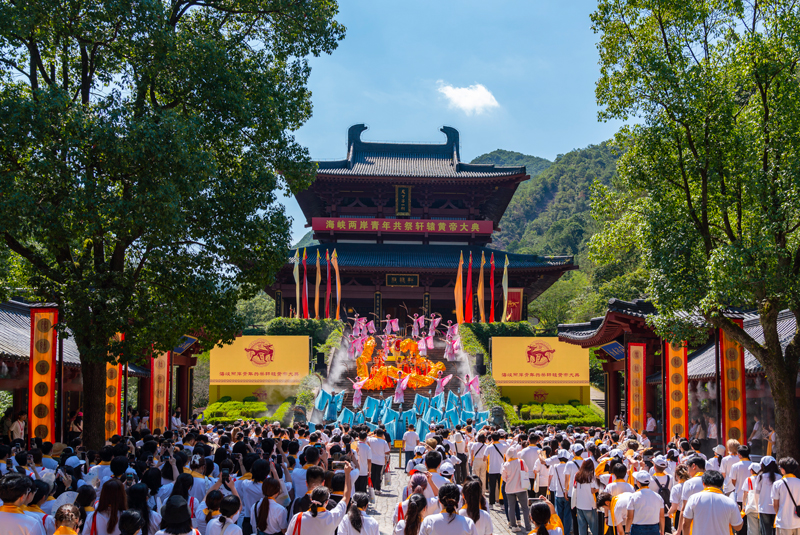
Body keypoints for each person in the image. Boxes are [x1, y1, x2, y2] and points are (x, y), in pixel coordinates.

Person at [285, 462, 352, 535]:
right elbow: (346, 497)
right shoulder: (332, 517)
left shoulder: (297, 517)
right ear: (326, 501)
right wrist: (347, 474)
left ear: (311, 499)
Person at [682, 470, 742, 535]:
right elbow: (738, 527)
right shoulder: (730, 502)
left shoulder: (693, 499)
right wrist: (738, 512)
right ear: (721, 485)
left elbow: (686, 524)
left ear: (703, 483)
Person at [501, 448, 531, 533]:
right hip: (521, 487)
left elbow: (504, 477)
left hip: (510, 488)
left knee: (511, 507)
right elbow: (526, 471)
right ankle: (528, 527)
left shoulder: (506, 464)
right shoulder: (521, 462)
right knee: (525, 508)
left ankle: (513, 526)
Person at [771, 457, 800, 535]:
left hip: (783, 522)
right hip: (798, 522)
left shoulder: (777, 484)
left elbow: (775, 505)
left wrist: (780, 513)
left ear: (783, 469)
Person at [756, 456, 781, 535]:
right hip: (776, 508)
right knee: (775, 531)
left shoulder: (760, 476)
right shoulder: (779, 477)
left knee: (766, 531)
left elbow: (757, 493)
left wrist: (757, 507)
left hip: (763, 507)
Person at [572, 457, 598, 535]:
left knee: (582, 528)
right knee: (594, 528)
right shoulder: (592, 477)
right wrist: (599, 489)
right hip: (589, 505)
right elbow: (593, 490)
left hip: (579, 505)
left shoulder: (577, 475)